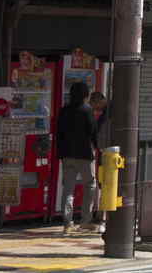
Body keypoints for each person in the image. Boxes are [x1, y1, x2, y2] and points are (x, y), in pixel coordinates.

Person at [54, 82, 101, 235]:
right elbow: (93, 131)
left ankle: (67, 223)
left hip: (67, 154)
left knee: (68, 189)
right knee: (90, 185)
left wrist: (60, 153)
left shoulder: (64, 110)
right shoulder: (87, 110)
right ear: (85, 95)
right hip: (85, 155)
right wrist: (97, 147)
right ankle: (85, 221)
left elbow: (58, 132)